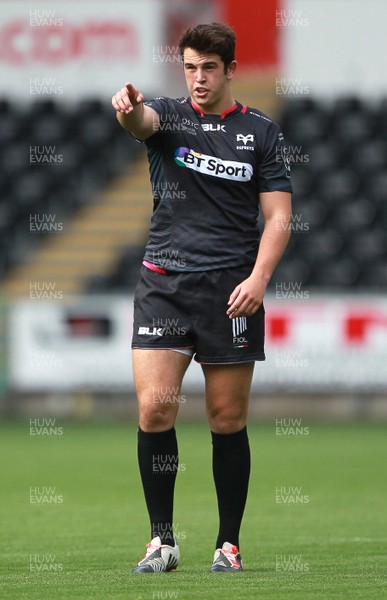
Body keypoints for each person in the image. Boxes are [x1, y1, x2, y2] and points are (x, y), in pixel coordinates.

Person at [112, 22, 292, 574]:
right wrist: (126, 111)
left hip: (230, 290)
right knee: (154, 408)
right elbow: (140, 123)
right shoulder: (166, 114)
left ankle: (228, 544)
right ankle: (161, 542)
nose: (198, 78)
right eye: (189, 66)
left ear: (230, 69)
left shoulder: (260, 132)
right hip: (164, 284)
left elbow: (280, 215)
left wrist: (260, 279)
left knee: (226, 417)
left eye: (208, 68)